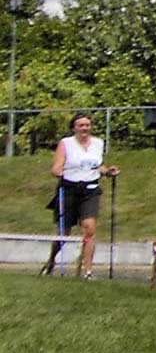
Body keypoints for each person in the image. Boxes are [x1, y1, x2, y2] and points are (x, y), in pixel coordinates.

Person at [44, 113, 119, 279]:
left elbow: (97, 166)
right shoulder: (66, 143)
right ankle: (51, 260)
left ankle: (88, 271)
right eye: (81, 125)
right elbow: (57, 166)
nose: (85, 128)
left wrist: (108, 171)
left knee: (89, 228)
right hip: (69, 189)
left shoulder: (98, 143)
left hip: (90, 189)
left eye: (87, 125)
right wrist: (57, 172)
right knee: (64, 232)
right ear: (74, 128)